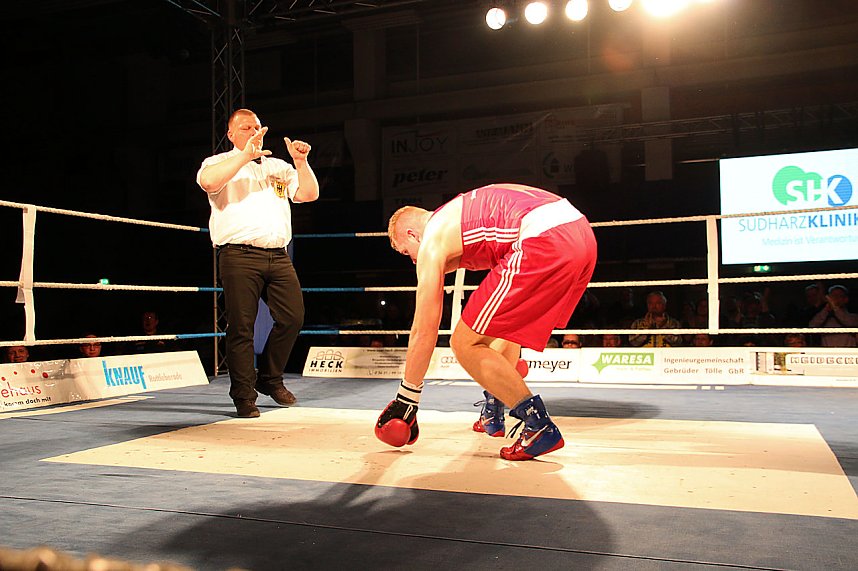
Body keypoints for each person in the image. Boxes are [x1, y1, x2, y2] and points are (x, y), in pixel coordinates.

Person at [376, 183, 597, 461]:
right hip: (581, 235)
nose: (412, 261)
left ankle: (537, 424)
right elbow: (505, 327)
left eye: (405, 252)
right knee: (503, 329)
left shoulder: (432, 238)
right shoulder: (463, 218)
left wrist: (407, 398)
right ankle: (494, 409)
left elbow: (424, 328)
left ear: (412, 234)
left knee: (464, 343)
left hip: (543, 238)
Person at [197, 108, 319, 418]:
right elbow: (209, 183)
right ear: (231, 134)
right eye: (245, 127)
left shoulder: (276, 167)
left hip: (278, 255)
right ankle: (243, 395)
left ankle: (269, 378)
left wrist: (301, 162)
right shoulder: (218, 163)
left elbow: (307, 194)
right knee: (241, 328)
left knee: (293, 317)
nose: (253, 131)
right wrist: (244, 157)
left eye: (256, 126)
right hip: (238, 256)